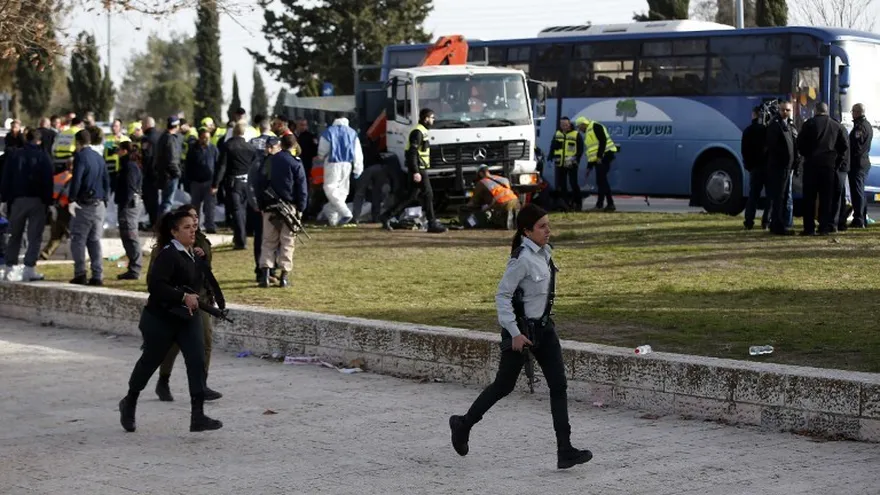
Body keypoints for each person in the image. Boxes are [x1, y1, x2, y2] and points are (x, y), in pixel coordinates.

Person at [448, 203, 593, 470]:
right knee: (503, 386)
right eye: (542, 226)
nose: (548, 230)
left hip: (545, 330)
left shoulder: (545, 253)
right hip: (521, 332)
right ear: (527, 231)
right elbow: (502, 296)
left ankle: (565, 450)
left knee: (559, 386)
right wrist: (514, 333)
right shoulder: (521, 259)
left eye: (549, 224)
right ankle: (462, 424)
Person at [118, 209, 223, 433]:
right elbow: (155, 286)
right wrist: (182, 296)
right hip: (161, 319)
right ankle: (130, 402)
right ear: (174, 232)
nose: (193, 230)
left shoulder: (192, 253)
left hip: (187, 317)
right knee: (150, 362)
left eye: (193, 226)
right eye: (186, 227)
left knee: (196, 361)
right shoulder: (167, 254)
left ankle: (198, 416)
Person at [150, 204, 223, 402]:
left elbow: (206, 271)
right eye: (188, 220)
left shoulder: (202, 242)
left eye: (196, 218)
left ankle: (202, 384)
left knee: (205, 342)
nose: (194, 223)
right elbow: (157, 280)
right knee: (173, 344)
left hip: (202, 300)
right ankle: (163, 380)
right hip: (178, 302)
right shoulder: (165, 248)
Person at [379, 109, 447, 233]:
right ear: (426, 118)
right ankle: (432, 223)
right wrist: (415, 171)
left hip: (419, 168)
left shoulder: (422, 131)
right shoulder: (417, 132)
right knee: (428, 194)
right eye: (432, 117)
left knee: (411, 196)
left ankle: (386, 216)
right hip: (418, 169)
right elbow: (412, 153)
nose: (433, 120)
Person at [1, 128, 53, 281]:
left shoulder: (14, 155)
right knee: (34, 236)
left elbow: (6, 178)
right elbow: (48, 181)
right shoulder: (43, 156)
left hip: (17, 200)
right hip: (37, 200)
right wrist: (48, 202)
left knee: (14, 235)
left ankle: (10, 268)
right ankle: (29, 268)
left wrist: (5, 199)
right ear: (39, 140)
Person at [259, 134, 307, 288]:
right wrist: (301, 207)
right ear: (294, 146)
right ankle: (284, 276)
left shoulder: (270, 160)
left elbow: (261, 182)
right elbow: (302, 188)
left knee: (268, 241)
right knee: (287, 242)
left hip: (269, 207)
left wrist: (261, 204)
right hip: (289, 208)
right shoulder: (296, 163)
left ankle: (265, 275)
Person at [796, 102, 849, 236]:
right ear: (827, 111)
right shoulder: (836, 126)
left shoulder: (809, 124)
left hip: (811, 165)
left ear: (815, 110)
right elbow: (844, 147)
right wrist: (836, 161)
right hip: (828, 166)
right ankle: (824, 227)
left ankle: (809, 228)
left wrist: (806, 154)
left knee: (809, 198)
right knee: (826, 198)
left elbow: (800, 144)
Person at [68, 129, 110, 285]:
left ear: (78, 142)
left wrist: (72, 199)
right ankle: (97, 275)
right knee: (94, 240)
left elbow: (77, 179)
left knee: (78, 239)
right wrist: (105, 199)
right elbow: (106, 180)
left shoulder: (80, 157)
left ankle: (80, 273)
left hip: (85, 204)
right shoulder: (99, 157)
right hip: (99, 204)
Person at [214, 123, 257, 250]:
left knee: (237, 211)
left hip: (234, 183)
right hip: (247, 182)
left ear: (233, 132)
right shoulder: (250, 147)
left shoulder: (228, 146)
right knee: (244, 210)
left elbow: (222, 167)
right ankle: (245, 234)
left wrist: (215, 184)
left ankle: (240, 240)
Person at [317, 117, 363, 226]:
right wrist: (358, 168)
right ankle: (333, 219)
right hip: (347, 164)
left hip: (332, 162)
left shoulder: (329, 131)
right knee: (342, 191)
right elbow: (358, 152)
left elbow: (322, 149)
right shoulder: (352, 133)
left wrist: (321, 156)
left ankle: (345, 212)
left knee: (330, 188)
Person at [249, 136, 282, 283]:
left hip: (274, 207)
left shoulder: (276, 162)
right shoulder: (259, 163)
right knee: (262, 240)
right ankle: (262, 270)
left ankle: (271, 270)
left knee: (275, 239)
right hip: (261, 208)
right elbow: (251, 186)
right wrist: (256, 205)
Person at [765, 100, 798, 236]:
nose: (785, 112)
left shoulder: (790, 125)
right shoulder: (775, 125)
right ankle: (777, 225)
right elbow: (773, 146)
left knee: (784, 197)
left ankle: (782, 223)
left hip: (788, 167)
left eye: (788, 110)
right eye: (783, 110)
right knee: (779, 197)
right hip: (779, 167)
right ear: (779, 110)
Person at [459, 164, 520, 229]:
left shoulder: (481, 183)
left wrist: (464, 208)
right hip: (516, 202)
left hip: (503, 206)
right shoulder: (503, 179)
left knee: (485, 213)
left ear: (480, 174)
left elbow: (473, 202)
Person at [115, 141, 143, 280]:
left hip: (129, 206)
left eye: (119, 149)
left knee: (131, 236)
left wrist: (124, 204)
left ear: (125, 150)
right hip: (127, 204)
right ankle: (132, 267)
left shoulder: (130, 166)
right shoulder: (126, 165)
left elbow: (130, 188)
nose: (117, 152)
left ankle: (135, 268)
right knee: (127, 236)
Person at [578, 116, 618, 212]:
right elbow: (592, 152)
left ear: (583, 124)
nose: (579, 129)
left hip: (605, 156)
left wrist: (600, 156)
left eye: (579, 127)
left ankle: (602, 205)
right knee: (602, 181)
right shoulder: (588, 133)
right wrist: (589, 167)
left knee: (601, 180)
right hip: (599, 159)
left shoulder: (595, 126)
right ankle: (609, 204)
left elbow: (603, 141)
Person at [185, 127, 219, 233]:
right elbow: (187, 166)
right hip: (196, 182)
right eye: (204, 138)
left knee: (210, 206)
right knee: (195, 207)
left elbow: (218, 165)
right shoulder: (193, 149)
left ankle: (210, 226)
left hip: (209, 182)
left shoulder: (213, 149)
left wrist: (216, 183)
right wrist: (189, 180)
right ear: (199, 138)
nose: (206, 140)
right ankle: (194, 227)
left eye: (208, 138)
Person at [742, 106, 771, 230]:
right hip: (767, 167)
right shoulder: (767, 130)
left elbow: (744, 150)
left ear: (753, 115)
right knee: (770, 196)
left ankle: (749, 221)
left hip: (755, 168)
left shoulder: (748, 130)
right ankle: (766, 221)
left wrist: (749, 166)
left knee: (753, 195)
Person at [39, 161, 73, 260]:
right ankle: (74, 255)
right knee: (70, 233)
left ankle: (45, 254)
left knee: (55, 234)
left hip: (54, 207)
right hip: (66, 208)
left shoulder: (57, 177)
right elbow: (68, 193)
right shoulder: (72, 177)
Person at [847, 103, 873, 229]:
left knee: (857, 192)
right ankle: (863, 217)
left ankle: (858, 219)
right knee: (860, 191)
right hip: (863, 162)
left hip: (857, 163)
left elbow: (856, 146)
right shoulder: (866, 125)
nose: (852, 113)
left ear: (857, 112)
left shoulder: (860, 127)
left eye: (853, 111)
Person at [549, 117, 582, 211]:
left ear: (569, 124)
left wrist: (577, 160)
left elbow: (580, 149)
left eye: (566, 124)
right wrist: (551, 154)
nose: (564, 126)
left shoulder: (576, 134)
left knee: (573, 184)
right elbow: (553, 145)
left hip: (571, 163)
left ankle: (578, 203)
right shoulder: (557, 133)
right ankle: (566, 204)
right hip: (560, 164)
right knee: (562, 185)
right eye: (562, 125)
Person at [155, 116, 183, 216]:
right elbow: (172, 160)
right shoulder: (170, 139)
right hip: (170, 176)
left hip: (164, 175)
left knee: (164, 201)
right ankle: (163, 225)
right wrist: (178, 173)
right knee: (167, 202)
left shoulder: (163, 137)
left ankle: (160, 224)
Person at [140, 117, 162, 228]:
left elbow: (146, 157)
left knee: (150, 200)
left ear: (147, 125)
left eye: (142, 125)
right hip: (159, 173)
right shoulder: (160, 136)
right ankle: (155, 222)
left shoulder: (147, 139)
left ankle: (154, 222)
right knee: (156, 200)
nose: (141, 127)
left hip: (149, 174)